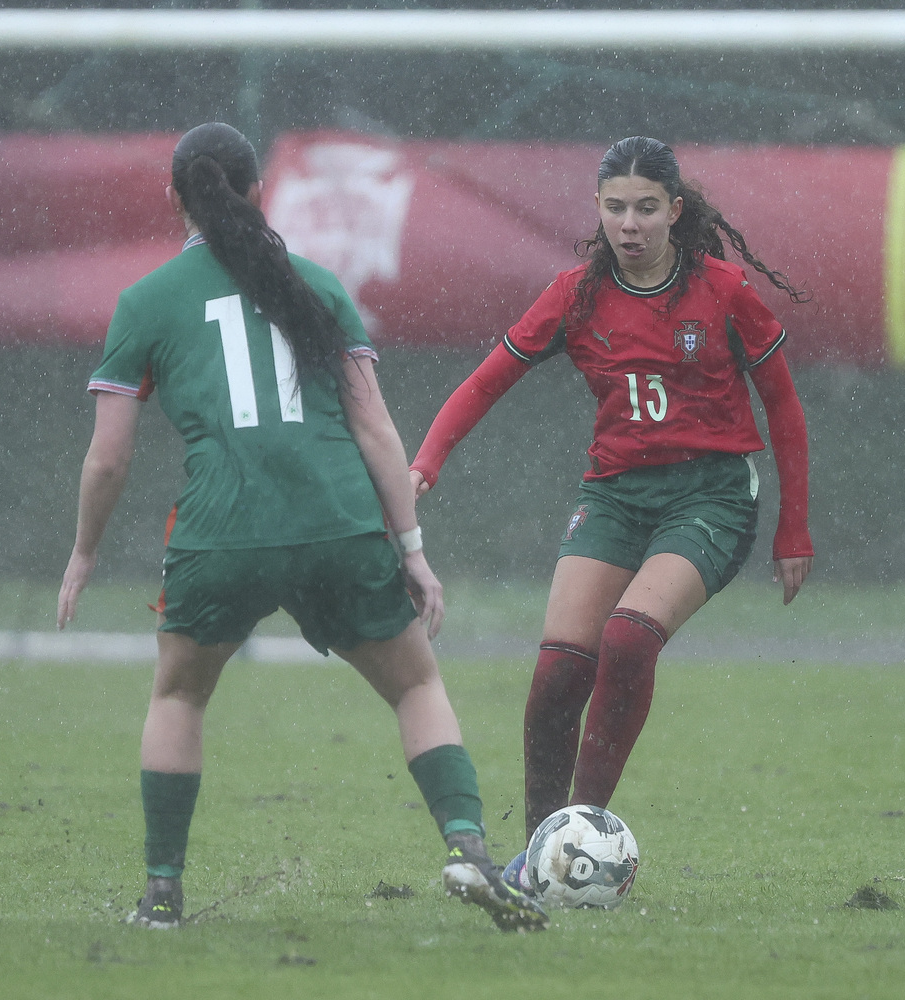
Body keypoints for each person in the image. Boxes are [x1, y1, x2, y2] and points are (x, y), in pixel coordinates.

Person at [57, 122, 546, 932]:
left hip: (222, 532)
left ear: (175, 197)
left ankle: (162, 894)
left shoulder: (145, 301)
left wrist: (83, 553)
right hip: (336, 524)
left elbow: (108, 460)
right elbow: (376, 430)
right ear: (259, 192)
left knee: (179, 695)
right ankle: (468, 848)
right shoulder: (317, 284)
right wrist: (413, 549)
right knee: (416, 685)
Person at [408, 136, 814, 888]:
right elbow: (487, 380)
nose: (631, 224)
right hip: (616, 496)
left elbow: (784, 407)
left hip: (711, 498)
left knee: (627, 640)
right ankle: (537, 857)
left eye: (647, 208)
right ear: (597, 209)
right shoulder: (576, 295)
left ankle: (579, 837)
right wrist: (425, 463)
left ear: (675, 211)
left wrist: (794, 528)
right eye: (617, 208)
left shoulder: (725, 292)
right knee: (558, 674)